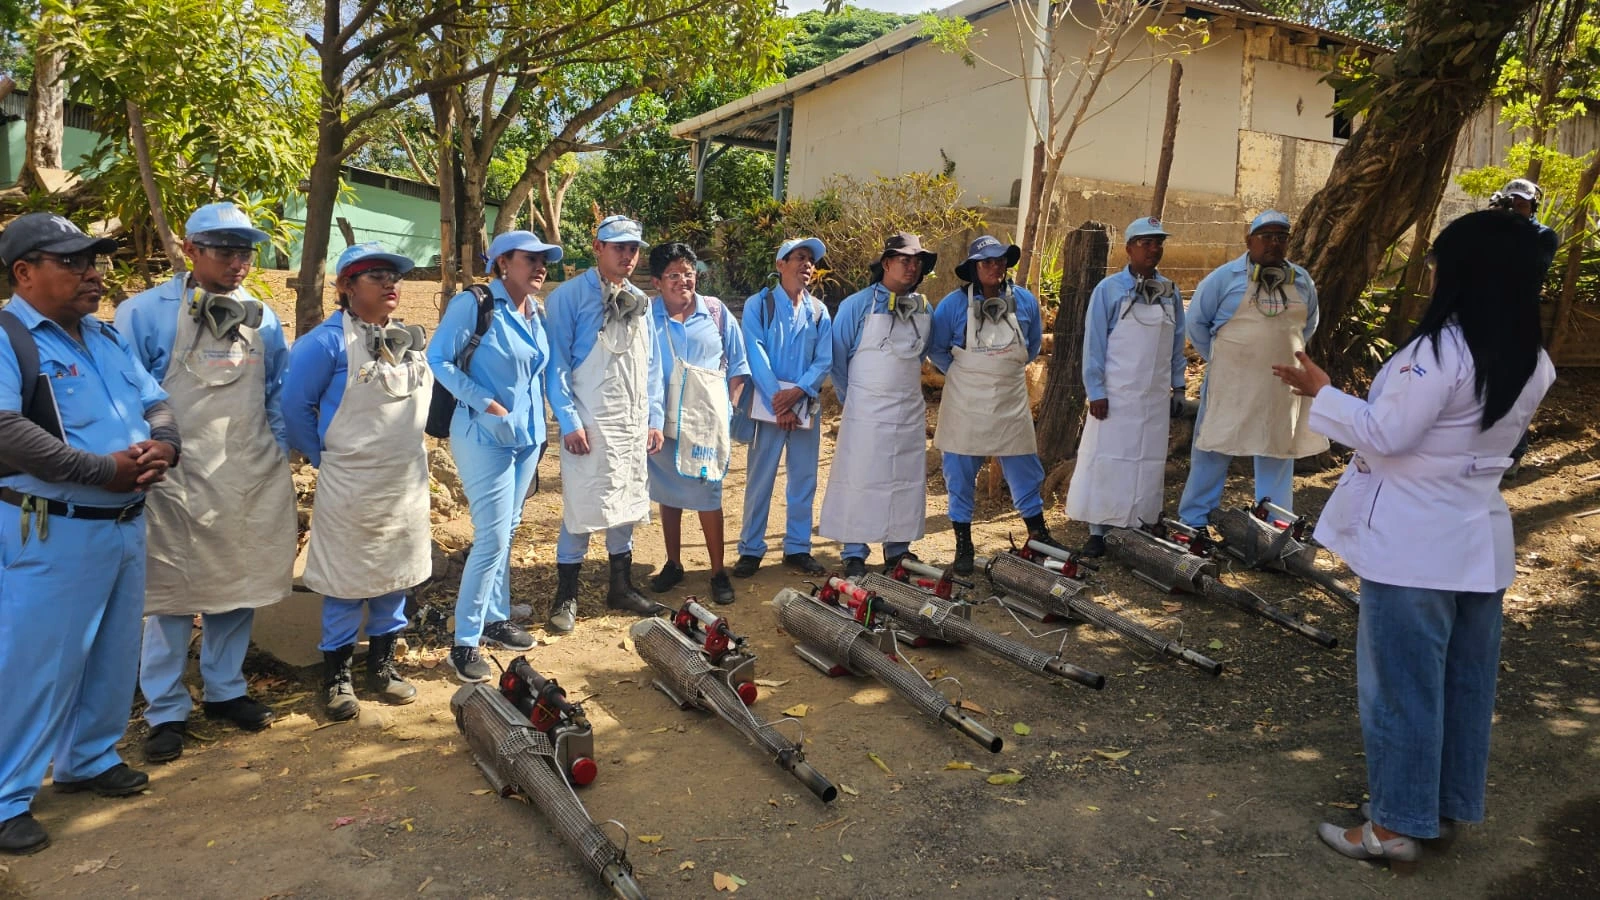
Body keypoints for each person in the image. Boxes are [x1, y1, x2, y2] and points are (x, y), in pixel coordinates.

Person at [1272, 210, 1556, 871]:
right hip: (1475, 543)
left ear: (1466, 275)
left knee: (1401, 687)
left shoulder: (1441, 351)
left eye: (1439, 265)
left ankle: (1394, 827)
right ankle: (1443, 806)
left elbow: (1387, 434)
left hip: (1414, 547)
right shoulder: (1532, 359)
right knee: (1463, 686)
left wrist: (1322, 390)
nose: (1431, 276)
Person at [0, 213, 179, 855]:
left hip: (125, 521)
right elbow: (5, 429)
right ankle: (6, 795)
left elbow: (154, 399)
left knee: (111, 651)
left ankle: (90, 759)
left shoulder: (103, 337)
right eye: (72, 262)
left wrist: (165, 444)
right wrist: (99, 471)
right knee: (37, 662)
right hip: (54, 526)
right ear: (25, 273)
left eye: (93, 261)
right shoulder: (8, 336)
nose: (92, 273)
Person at [114, 202, 296, 763]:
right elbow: (124, 395)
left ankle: (225, 691)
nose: (238, 262)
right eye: (224, 250)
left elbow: (275, 394)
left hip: (247, 471)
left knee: (237, 587)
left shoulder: (261, 314)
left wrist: (282, 456)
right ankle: (166, 710)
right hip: (174, 477)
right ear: (189, 250)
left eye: (245, 251)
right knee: (170, 595)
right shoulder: (143, 313)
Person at [282, 243, 431, 721]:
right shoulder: (323, 345)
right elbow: (294, 410)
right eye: (376, 276)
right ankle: (337, 674)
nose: (391, 283)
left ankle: (382, 664)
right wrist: (329, 455)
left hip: (403, 481)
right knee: (346, 581)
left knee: (395, 576)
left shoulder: (405, 340)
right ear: (346, 286)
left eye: (394, 275)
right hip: (351, 482)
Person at [427, 231, 558, 682]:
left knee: (509, 529)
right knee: (492, 537)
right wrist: (486, 402)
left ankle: (495, 618)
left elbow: (538, 372)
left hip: (526, 436)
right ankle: (463, 643)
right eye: (530, 259)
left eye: (544, 260)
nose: (540, 266)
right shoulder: (476, 304)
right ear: (503, 262)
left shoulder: (534, 309)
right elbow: (439, 359)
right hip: (483, 434)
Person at [543, 215, 661, 632]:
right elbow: (555, 365)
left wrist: (654, 417)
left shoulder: (642, 301)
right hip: (589, 422)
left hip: (630, 420)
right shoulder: (567, 297)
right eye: (618, 247)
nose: (627, 255)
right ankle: (566, 596)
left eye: (633, 248)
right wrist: (569, 421)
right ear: (597, 248)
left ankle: (621, 586)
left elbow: (652, 365)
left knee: (626, 503)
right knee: (582, 505)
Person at [1178, 210, 1326, 527]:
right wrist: (1225, 358)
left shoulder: (1302, 281)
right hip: (1229, 385)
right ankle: (1194, 522)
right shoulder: (1223, 279)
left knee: (1277, 451)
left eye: (1281, 237)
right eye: (1266, 236)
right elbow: (1197, 325)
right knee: (1213, 447)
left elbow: (1308, 325)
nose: (1274, 243)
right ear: (1249, 241)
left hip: (1280, 389)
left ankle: (1274, 527)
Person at [928, 235, 1060, 574]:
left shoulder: (1026, 302)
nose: (995, 266)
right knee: (959, 472)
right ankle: (963, 544)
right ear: (973, 268)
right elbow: (938, 348)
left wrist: (1000, 369)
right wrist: (967, 373)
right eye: (986, 261)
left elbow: (1030, 347)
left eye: (1000, 260)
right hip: (965, 402)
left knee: (1024, 468)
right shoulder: (952, 306)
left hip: (1009, 400)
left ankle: (1038, 535)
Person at [1064, 218, 1187, 557]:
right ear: (1129, 248)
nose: (1154, 249)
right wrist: (1096, 390)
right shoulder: (1109, 290)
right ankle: (1098, 530)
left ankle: (1140, 522)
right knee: (1108, 460)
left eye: (1158, 243)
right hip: (1115, 396)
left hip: (1153, 399)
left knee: (1147, 462)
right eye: (1146, 242)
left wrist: (1178, 387)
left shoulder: (1170, 292)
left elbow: (1176, 344)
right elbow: (1094, 344)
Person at [820, 232, 935, 577]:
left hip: (908, 409)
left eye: (916, 261)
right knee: (861, 477)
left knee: (903, 478)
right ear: (886, 263)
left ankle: (898, 549)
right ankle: (854, 551)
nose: (911, 267)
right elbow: (837, 358)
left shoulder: (924, 308)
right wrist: (851, 397)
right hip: (865, 410)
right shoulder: (857, 305)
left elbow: (926, 351)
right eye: (904, 260)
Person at [644, 243, 749, 604]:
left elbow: (738, 364)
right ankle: (673, 563)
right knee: (667, 492)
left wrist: (728, 407)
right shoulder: (646, 317)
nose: (682, 281)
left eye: (687, 273)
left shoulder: (717, 313)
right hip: (662, 420)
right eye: (673, 275)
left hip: (707, 424)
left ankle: (718, 571)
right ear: (657, 281)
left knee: (708, 493)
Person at [730, 237, 833, 579]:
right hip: (767, 407)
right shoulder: (760, 305)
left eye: (810, 260)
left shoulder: (818, 311)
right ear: (780, 265)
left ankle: (798, 548)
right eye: (799, 257)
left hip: (803, 407)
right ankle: (750, 549)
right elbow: (754, 352)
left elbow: (824, 359)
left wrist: (799, 391)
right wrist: (779, 398)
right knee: (761, 479)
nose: (807, 264)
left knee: (804, 478)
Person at [1491, 178, 1560, 276]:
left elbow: (1534, 269)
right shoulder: (1493, 229)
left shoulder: (1545, 235)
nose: (1514, 210)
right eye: (1509, 205)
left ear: (1533, 208)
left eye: (1521, 205)